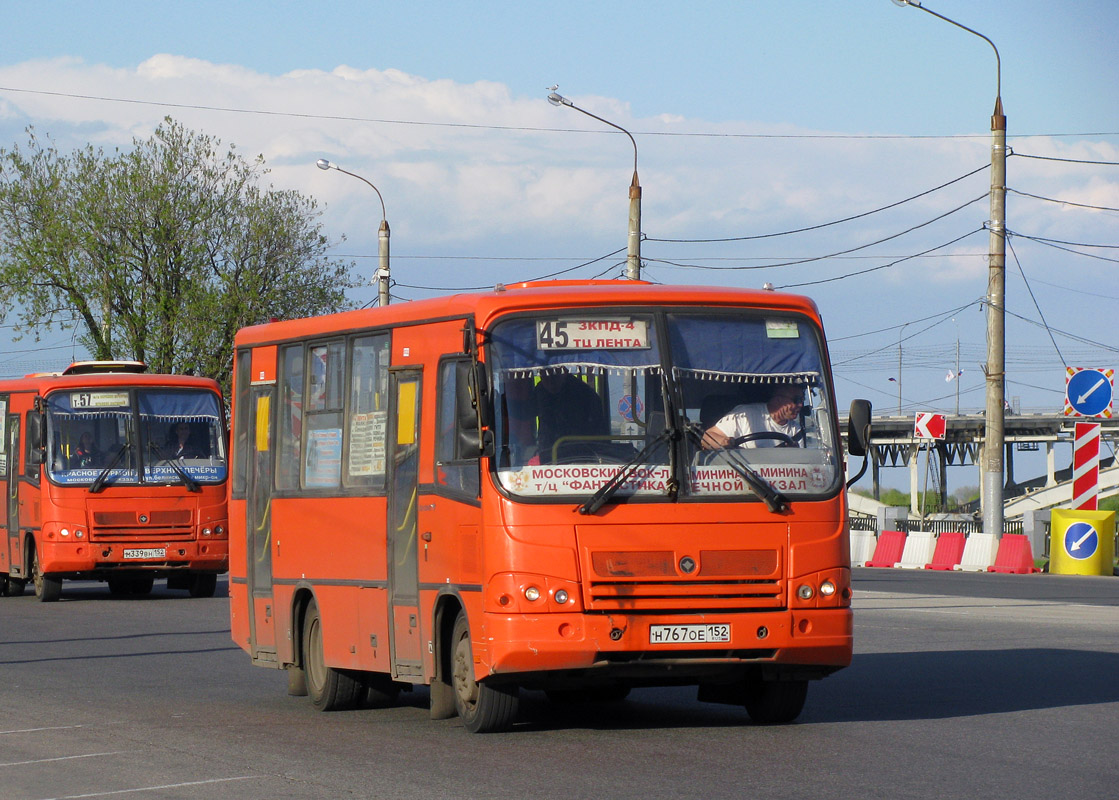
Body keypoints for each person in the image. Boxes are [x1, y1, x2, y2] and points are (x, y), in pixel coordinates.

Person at [533, 369, 609, 460]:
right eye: (544, 376)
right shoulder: (540, 391)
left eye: (554, 376)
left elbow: (599, 434)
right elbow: (524, 415)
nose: (550, 381)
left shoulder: (584, 394)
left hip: (581, 458)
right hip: (547, 456)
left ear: (564, 372)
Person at [703, 384, 804, 449]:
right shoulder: (744, 415)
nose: (801, 405)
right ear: (778, 400)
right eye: (797, 400)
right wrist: (725, 442)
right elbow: (707, 437)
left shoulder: (796, 431)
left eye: (802, 400)